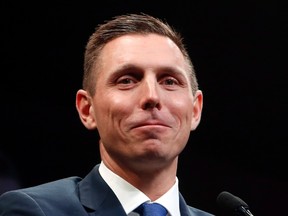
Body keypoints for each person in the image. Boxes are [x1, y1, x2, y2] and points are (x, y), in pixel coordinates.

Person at [0, 13, 214, 216]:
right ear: (87, 109)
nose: (152, 96)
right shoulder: (36, 210)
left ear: (195, 110)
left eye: (169, 81)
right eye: (127, 80)